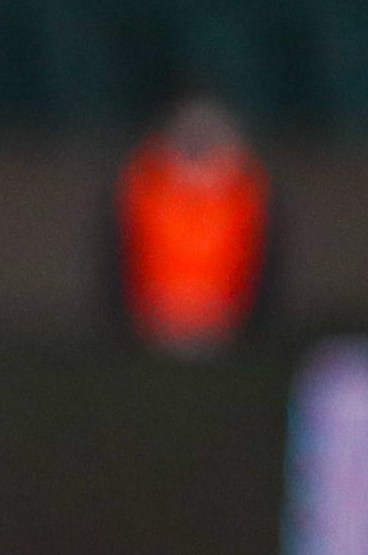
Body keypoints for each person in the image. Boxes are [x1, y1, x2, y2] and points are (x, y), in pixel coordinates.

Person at [114, 91, 273, 358]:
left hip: (227, 328)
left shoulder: (243, 192)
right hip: (156, 326)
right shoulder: (147, 187)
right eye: (191, 142)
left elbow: (262, 262)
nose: (198, 148)